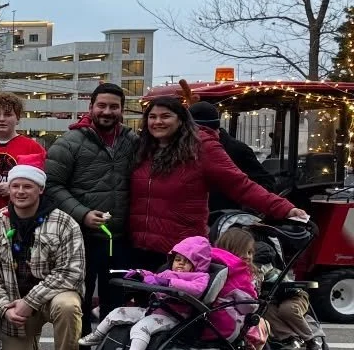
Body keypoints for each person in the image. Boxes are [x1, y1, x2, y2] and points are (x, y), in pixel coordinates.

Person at [126, 94, 305, 269]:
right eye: (152, 117)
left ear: (181, 120)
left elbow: (240, 185)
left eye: (166, 116)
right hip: (139, 248)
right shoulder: (143, 149)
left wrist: (284, 208)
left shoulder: (200, 148)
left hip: (180, 252)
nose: (158, 122)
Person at [0, 165, 85, 350]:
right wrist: (5, 308)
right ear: (9, 189)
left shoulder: (65, 223)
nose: (21, 191)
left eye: (28, 186)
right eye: (15, 186)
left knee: (68, 306)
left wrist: (31, 301)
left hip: (53, 297)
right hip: (14, 304)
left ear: (40, 189)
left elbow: (71, 272)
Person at [79, 235, 255, 350]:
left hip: (174, 316)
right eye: (178, 260)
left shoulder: (200, 277)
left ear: (197, 265)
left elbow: (195, 290)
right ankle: (98, 334)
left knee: (141, 328)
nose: (180, 265)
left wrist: (168, 283)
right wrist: (141, 274)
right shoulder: (169, 272)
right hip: (154, 310)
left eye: (186, 262)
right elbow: (156, 279)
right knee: (118, 312)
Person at [43, 83, 139, 324]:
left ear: (122, 110)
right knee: (79, 299)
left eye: (114, 107)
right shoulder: (69, 142)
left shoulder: (133, 141)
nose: (107, 111)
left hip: (121, 239)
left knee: (116, 300)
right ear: (91, 107)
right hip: (80, 237)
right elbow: (52, 185)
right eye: (102, 105)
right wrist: (82, 214)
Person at [0, 92, 47, 216]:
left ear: (18, 118)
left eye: (8, 114)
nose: (1, 119)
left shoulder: (33, 148)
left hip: (21, 217)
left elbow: (43, 185)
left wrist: (13, 188)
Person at [190, 101, 276, 211]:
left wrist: (243, 210)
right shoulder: (185, 148)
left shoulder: (237, 150)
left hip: (224, 219)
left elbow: (265, 183)